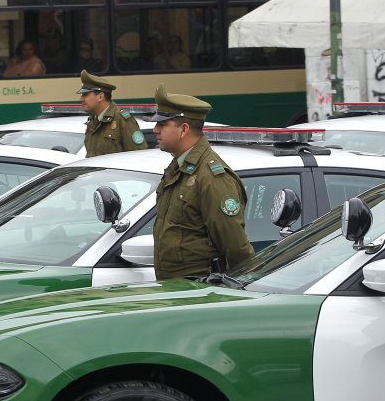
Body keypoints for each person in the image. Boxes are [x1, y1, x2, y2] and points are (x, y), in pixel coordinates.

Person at [147, 84, 254, 279]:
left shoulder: (211, 177)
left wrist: (246, 287)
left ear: (184, 129)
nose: (155, 129)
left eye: (162, 124)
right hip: (177, 289)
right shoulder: (179, 168)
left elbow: (234, 246)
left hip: (199, 290)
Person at [78, 70, 147, 157]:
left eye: (85, 94)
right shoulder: (93, 120)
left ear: (100, 96)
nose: (81, 99)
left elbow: (139, 156)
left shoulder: (122, 120)